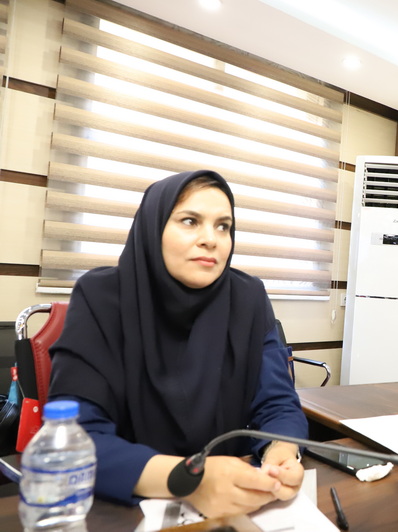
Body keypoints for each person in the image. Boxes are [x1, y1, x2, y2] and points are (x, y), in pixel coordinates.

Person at [49, 170, 308, 518]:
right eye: (190, 221)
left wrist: (282, 451)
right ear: (153, 227)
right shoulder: (101, 297)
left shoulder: (248, 297)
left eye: (223, 226)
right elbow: (72, 440)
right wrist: (189, 480)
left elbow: (277, 403)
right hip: (125, 509)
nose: (211, 240)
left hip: (238, 501)